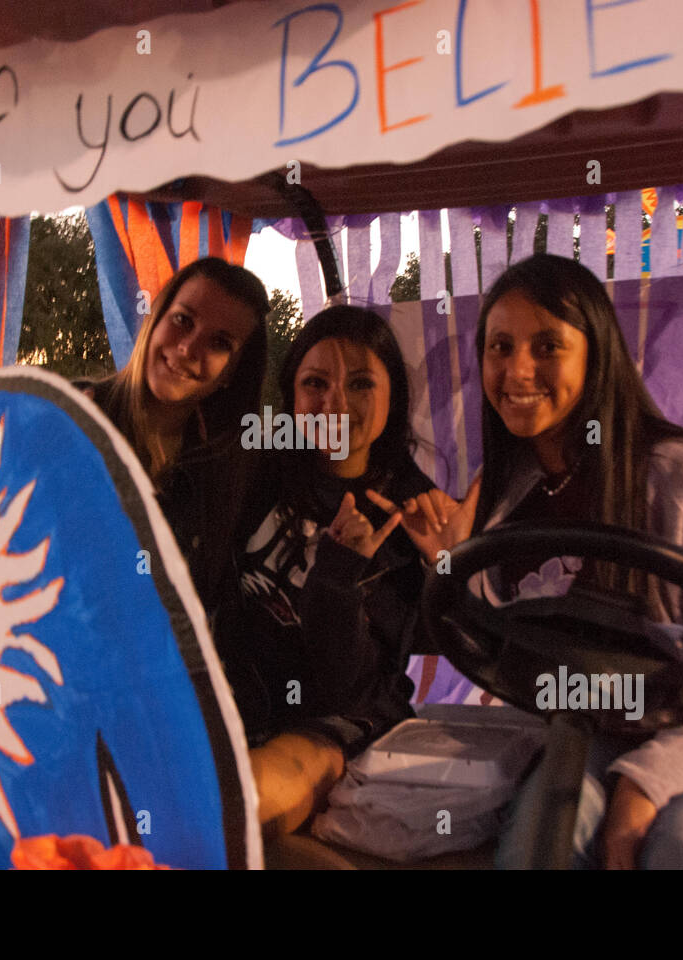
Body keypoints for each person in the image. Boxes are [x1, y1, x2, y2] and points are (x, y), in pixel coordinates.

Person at [374, 254, 683, 869]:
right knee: (540, 850)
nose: (517, 369)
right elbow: (510, 651)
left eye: (547, 345)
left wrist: (642, 788)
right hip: (597, 729)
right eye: (500, 347)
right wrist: (446, 567)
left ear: (597, 355)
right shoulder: (507, 491)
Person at [216, 304, 448, 835]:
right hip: (233, 696)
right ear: (292, 396)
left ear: (394, 397)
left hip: (335, 721)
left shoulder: (409, 518)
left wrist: (346, 571)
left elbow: (347, 687)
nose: (335, 404)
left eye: (361, 384)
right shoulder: (252, 472)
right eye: (315, 383)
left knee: (245, 796)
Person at [75, 256, 269, 615]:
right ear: (156, 318)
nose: (188, 348)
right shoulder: (69, 417)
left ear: (232, 373)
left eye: (220, 342)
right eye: (183, 320)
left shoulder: (231, 466)